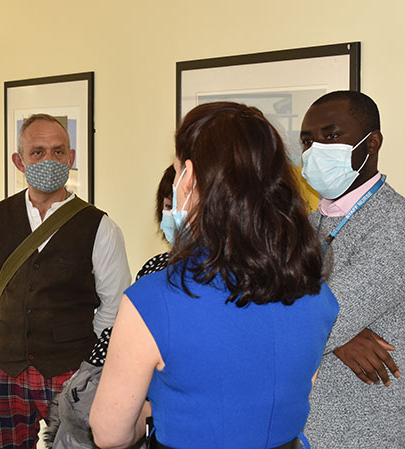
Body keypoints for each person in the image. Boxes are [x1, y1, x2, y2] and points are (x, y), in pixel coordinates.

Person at [90, 102, 339, 449]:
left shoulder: (153, 299)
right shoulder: (316, 294)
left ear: (189, 178)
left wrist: (147, 419)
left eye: (177, 172)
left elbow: (108, 433)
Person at [0, 113, 131, 449]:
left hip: (69, 370)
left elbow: (114, 303)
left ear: (71, 158)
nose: (49, 159)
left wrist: (80, 350)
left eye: (58, 152)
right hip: (4, 368)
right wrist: (14, 331)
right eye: (38, 152)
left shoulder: (100, 227)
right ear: (19, 161)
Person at [43, 163, 176, 449]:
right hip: (99, 390)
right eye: (168, 205)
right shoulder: (155, 270)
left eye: (183, 203)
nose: (175, 213)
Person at [299, 91, 405, 448]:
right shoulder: (305, 224)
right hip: (302, 426)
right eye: (308, 141)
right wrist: (338, 335)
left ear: (372, 142)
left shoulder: (395, 224)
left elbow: (310, 322)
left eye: (331, 136)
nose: (316, 151)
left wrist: (331, 329)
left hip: (367, 431)